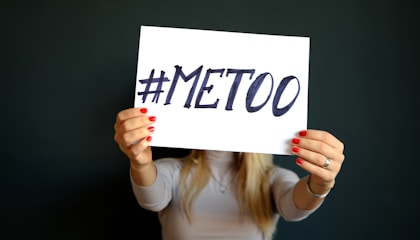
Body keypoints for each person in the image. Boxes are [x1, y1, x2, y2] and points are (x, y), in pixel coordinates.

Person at [113, 107, 345, 240]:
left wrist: (321, 184)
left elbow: (295, 209)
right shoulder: (172, 171)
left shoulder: (272, 178)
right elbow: (151, 199)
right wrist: (140, 162)